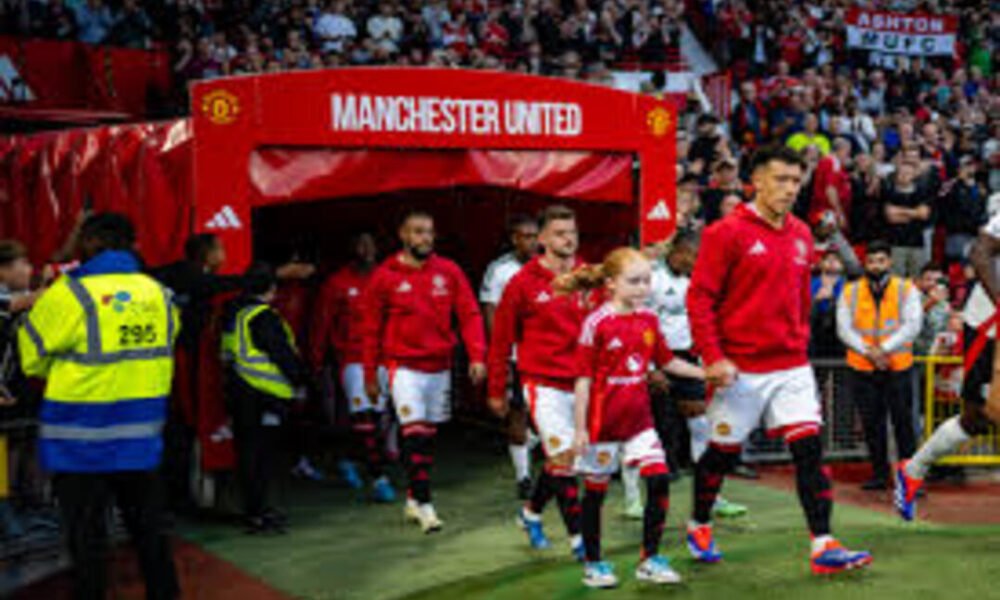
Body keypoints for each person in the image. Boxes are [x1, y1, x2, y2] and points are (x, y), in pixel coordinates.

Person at [686, 145, 872, 574]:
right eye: (781, 180)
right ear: (756, 181)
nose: (790, 189)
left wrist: (800, 339)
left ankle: (823, 544)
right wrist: (713, 357)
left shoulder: (803, 233)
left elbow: (799, 298)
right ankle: (699, 523)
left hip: (791, 366)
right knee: (722, 454)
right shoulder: (725, 233)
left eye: (796, 181)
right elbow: (700, 299)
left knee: (809, 451)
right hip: (740, 369)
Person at [18, 212, 180, 599]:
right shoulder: (160, 294)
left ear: (91, 243)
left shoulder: (69, 294)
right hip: (141, 438)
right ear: (131, 244)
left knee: (87, 539)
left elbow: (32, 359)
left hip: (79, 442)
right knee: (150, 533)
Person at [560, 248, 704, 588]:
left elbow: (668, 361)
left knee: (658, 479)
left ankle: (649, 559)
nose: (643, 288)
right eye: (634, 281)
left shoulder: (649, 320)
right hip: (602, 425)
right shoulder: (596, 323)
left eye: (647, 281)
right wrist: (580, 429)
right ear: (611, 283)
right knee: (595, 494)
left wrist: (705, 373)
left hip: (639, 422)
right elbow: (582, 380)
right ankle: (594, 563)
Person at [361, 210, 486, 533]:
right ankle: (426, 504)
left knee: (427, 437)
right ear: (403, 235)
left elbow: (470, 314)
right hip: (402, 366)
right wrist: (369, 375)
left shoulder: (449, 271)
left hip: (439, 365)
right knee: (414, 431)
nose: (425, 238)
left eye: (429, 232)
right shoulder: (384, 276)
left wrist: (477, 355)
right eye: (418, 232)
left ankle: (413, 498)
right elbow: (370, 329)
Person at [488, 205, 590, 560]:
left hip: (582, 384)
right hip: (542, 383)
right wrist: (496, 389)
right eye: (560, 233)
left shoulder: (588, 276)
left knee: (565, 459)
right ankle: (580, 541)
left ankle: (530, 513)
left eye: (572, 232)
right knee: (564, 462)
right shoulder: (522, 282)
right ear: (543, 239)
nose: (568, 239)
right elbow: (501, 339)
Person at [896, 211, 1000, 520]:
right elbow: (979, 252)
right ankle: (913, 469)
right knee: (978, 417)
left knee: (981, 418)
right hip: (988, 323)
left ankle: (913, 469)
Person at [642, 235, 748, 519]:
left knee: (701, 424)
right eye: (691, 255)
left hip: (686, 359)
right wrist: (649, 366)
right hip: (654, 359)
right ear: (677, 252)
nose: (694, 262)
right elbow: (641, 322)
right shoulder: (652, 279)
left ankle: (712, 496)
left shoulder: (696, 282)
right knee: (645, 431)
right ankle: (634, 500)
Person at [222, 262, 311, 534]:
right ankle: (260, 513)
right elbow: (282, 354)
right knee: (261, 457)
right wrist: (302, 380)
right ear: (271, 288)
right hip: (264, 394)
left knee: (249, 455)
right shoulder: (263, 317)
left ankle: (255, 511)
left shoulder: (234, 313)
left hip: (240, 392)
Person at [310, 233, 396, 501]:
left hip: (384, 359)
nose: (366, 249)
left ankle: (347, 458)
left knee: (378, 421)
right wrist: (316, 360)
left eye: (371, 244)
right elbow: (322, 323)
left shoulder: (388, 278)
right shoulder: (337, 283)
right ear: (351, 248)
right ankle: (379, 479)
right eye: (361, 244)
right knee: (364, 418)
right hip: (353, 360)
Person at [837, 241, 922, 491]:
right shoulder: (850, 291)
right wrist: (870, 352)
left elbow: (912, 325)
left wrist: (883, 349)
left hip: (897, 366)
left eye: (881, 261)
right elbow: (844, 328)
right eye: (871, 261)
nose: (876, 266)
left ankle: (910, 477)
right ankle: (879, 474)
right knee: (872, 423)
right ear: (865, 263)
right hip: (863, 367)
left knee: (904, 424)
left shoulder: (906, 289)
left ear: (890, 262)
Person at [479, 214, 540, 499]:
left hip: (546, 353)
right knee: (518, 413)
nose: (531, 242)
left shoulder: (549, 265)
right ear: (514, 239)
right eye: (525, 236)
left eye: (534, 236)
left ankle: (534, 446)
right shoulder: (500, 270)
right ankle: (523, 477)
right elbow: (490, 309)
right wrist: (499, 350)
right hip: (516, 354)